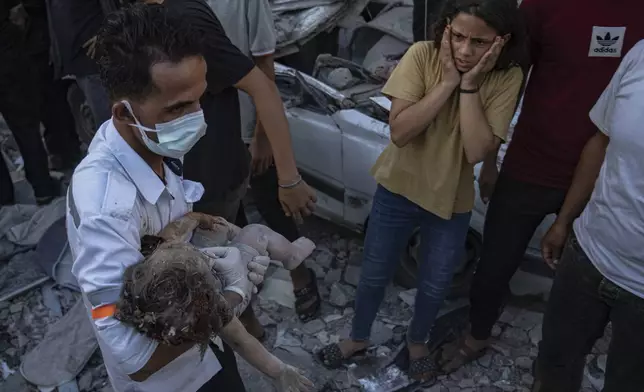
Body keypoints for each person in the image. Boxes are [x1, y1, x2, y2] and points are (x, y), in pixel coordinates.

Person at [66, 5, 270, 390]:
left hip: (204, 346)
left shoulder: (152, 142)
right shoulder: (107, 210)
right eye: (177, 107)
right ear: (123, 113)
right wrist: (232, 295)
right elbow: (136, 360)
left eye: (200, 99)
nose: (197, 117)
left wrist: (200, 229)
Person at [318, 0, 524, 382]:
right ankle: (358, 338)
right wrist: (447, 83)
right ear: (445, 29)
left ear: (501, 42)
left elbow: (477, 150)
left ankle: (417, 342)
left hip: (451, 200)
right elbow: (401, 131)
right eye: (458, 36)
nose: (464, 51)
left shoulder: (505, 78)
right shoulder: (421, 56)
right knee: (375, 274)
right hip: (398, 188)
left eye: (479, 42)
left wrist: (469, 86)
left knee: (435, 283)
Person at [440, 0, 644, 371]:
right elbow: (512, 81)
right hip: (530, 165)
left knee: (580, 285)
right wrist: (491, 160)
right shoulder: (543, 6)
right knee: (494, 266)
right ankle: (478, 334)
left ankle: (565, 362)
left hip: (600, 178)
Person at [534, 40, 644, 392]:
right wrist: (565, 220)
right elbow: (600, 141)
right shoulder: (641, 54)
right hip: (588, 255)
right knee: (553, 362)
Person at [207, 0, 322, 325]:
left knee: (273, 205)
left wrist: (262, 134)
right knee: (232, 216)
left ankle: (300, 275)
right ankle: (245, 284)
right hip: (211, 128)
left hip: (246, 122)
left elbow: (264, 65)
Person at [0, 0, 58, 206]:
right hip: (7, 55)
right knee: (25, 127)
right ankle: (42, 187)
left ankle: (4, 199)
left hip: (8, 53)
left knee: (25, 127)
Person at [21, 0, 83, 171]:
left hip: (40, 43)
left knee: (52, 101)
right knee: (49, 102)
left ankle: (65, 152)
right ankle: (64, 151)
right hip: (38, 42)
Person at [46, 0, 117, 128]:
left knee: (111, 124)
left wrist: (109, 32)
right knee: (105, 124)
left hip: (98, 60)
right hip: (78, 64)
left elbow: (117, 8)